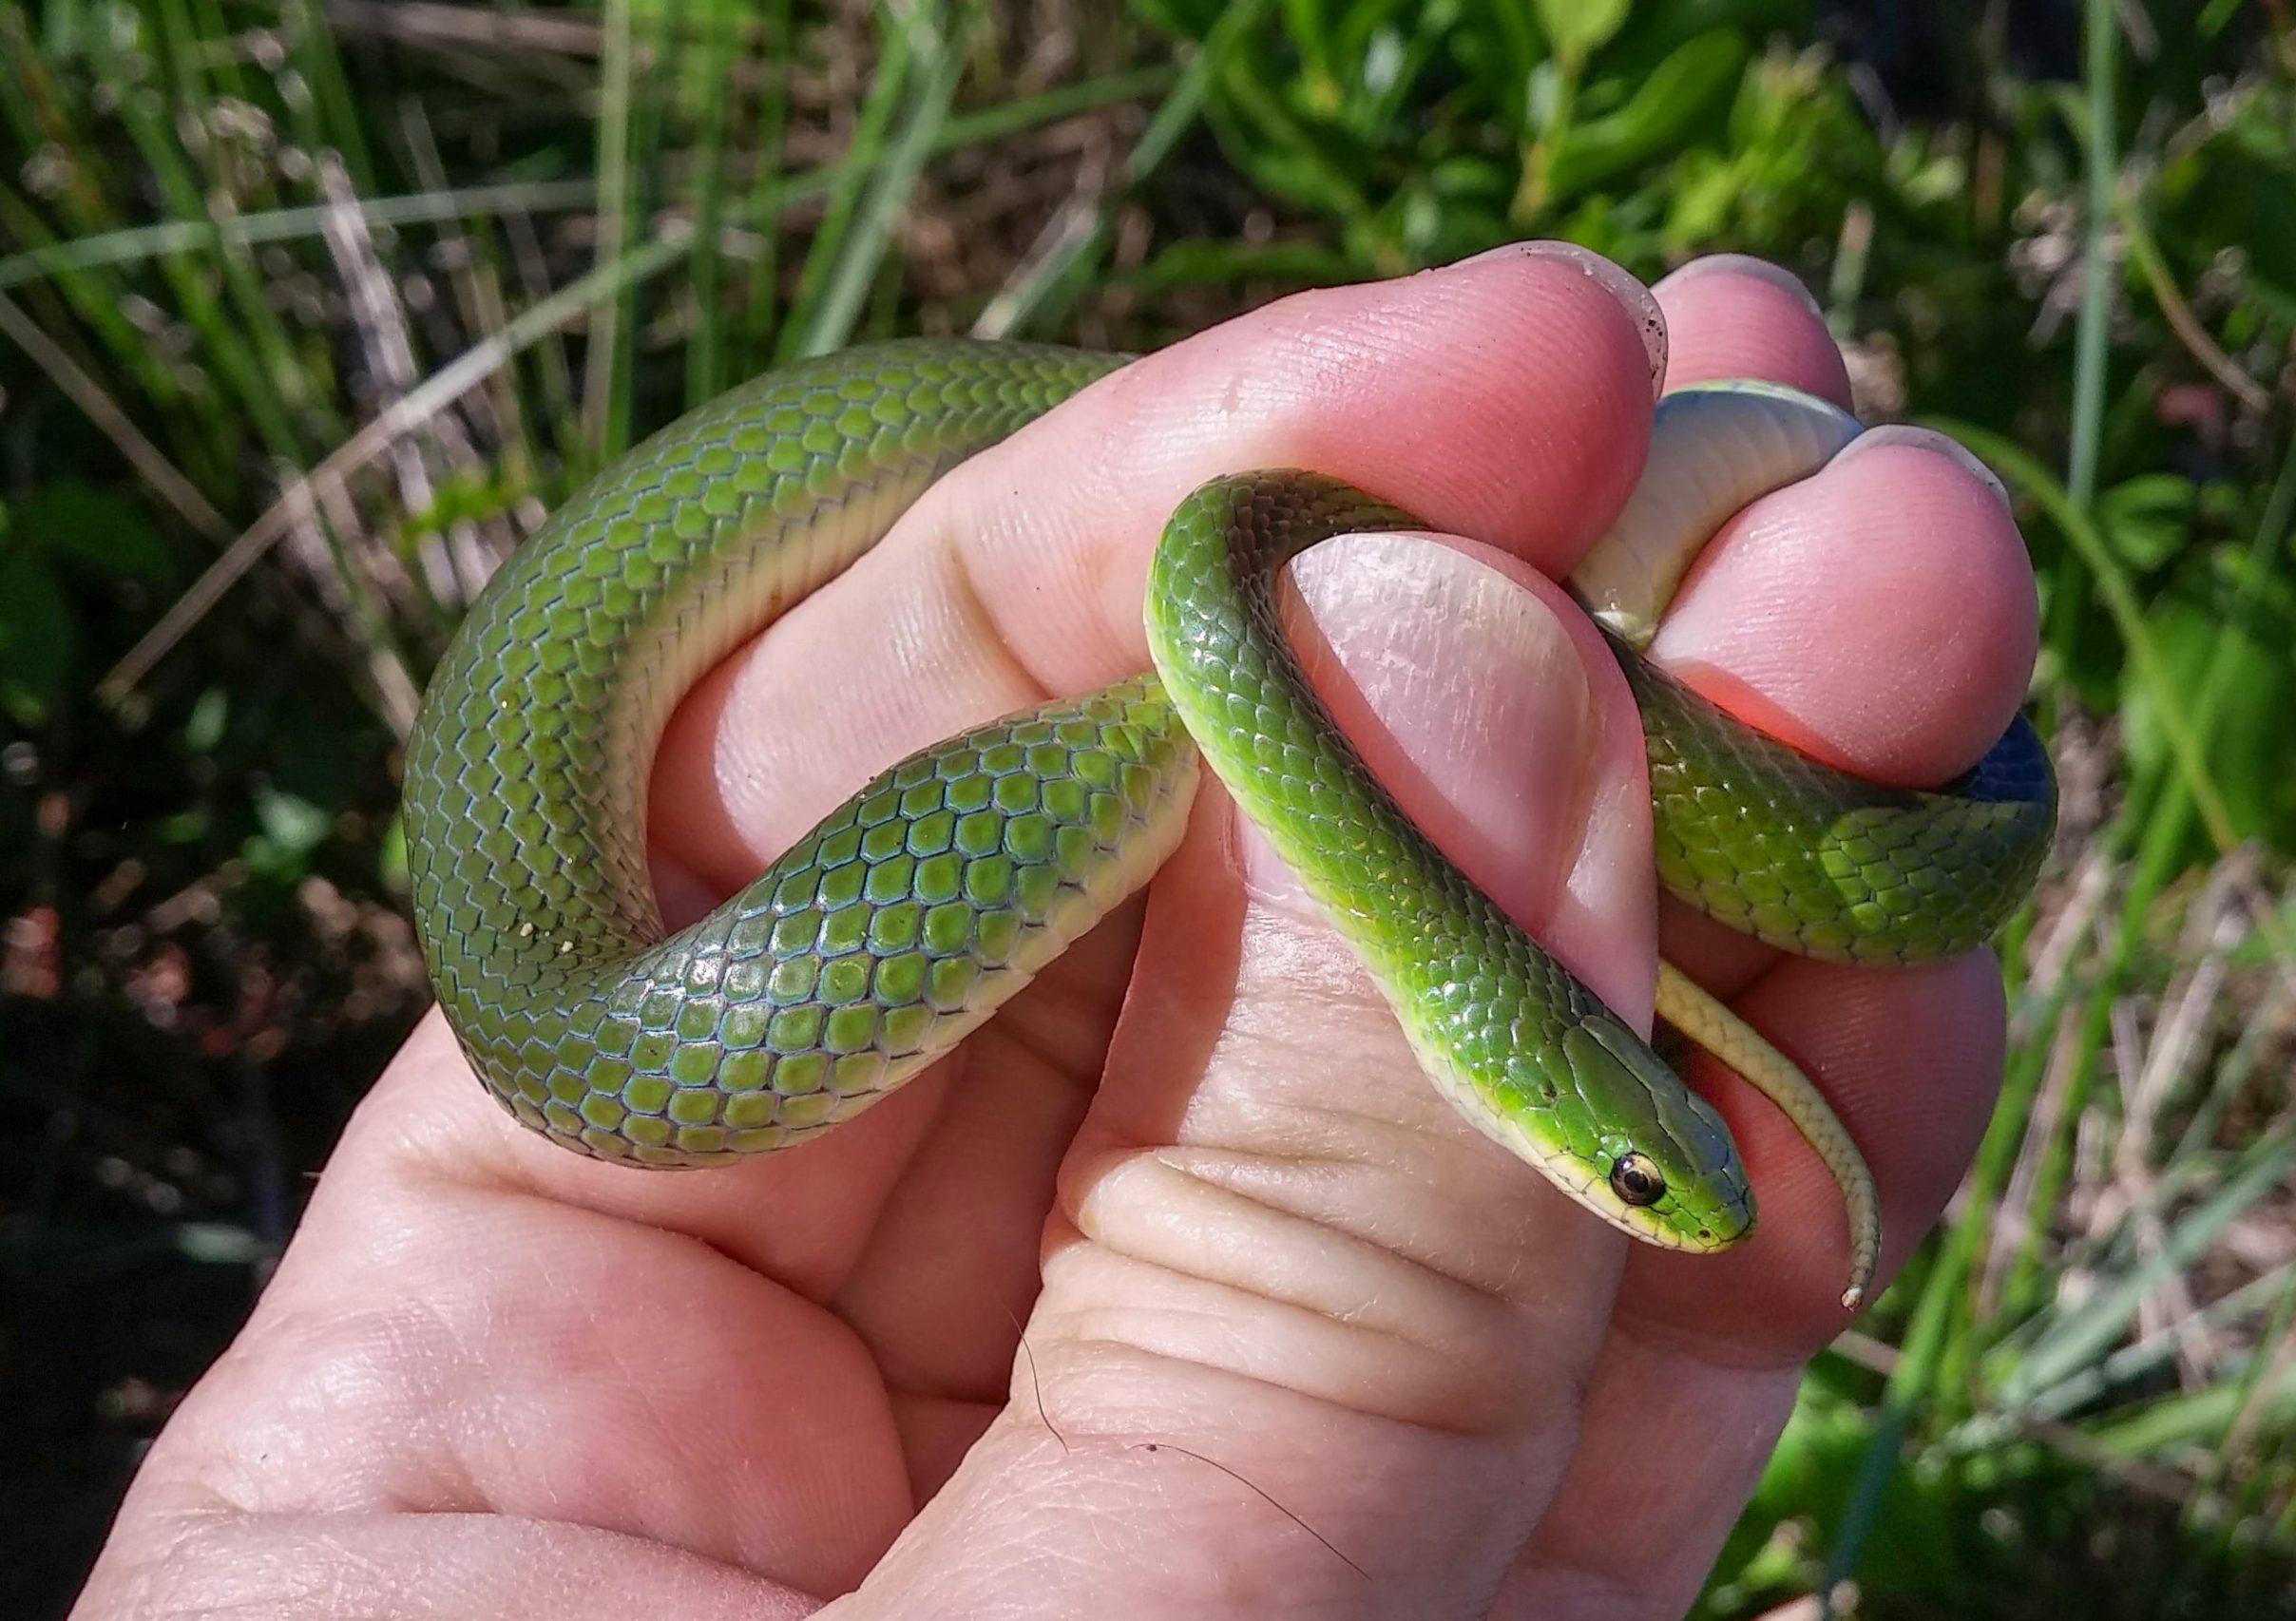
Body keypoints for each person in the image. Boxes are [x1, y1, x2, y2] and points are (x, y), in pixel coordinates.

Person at [70, 244, 2037, 1619]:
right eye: (1628, 1166)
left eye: (1637, 1170)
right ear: (1500, 1062)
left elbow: (1265, 580)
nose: (1660, 1194)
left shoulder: (1355, 784)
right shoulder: (597, 1036)